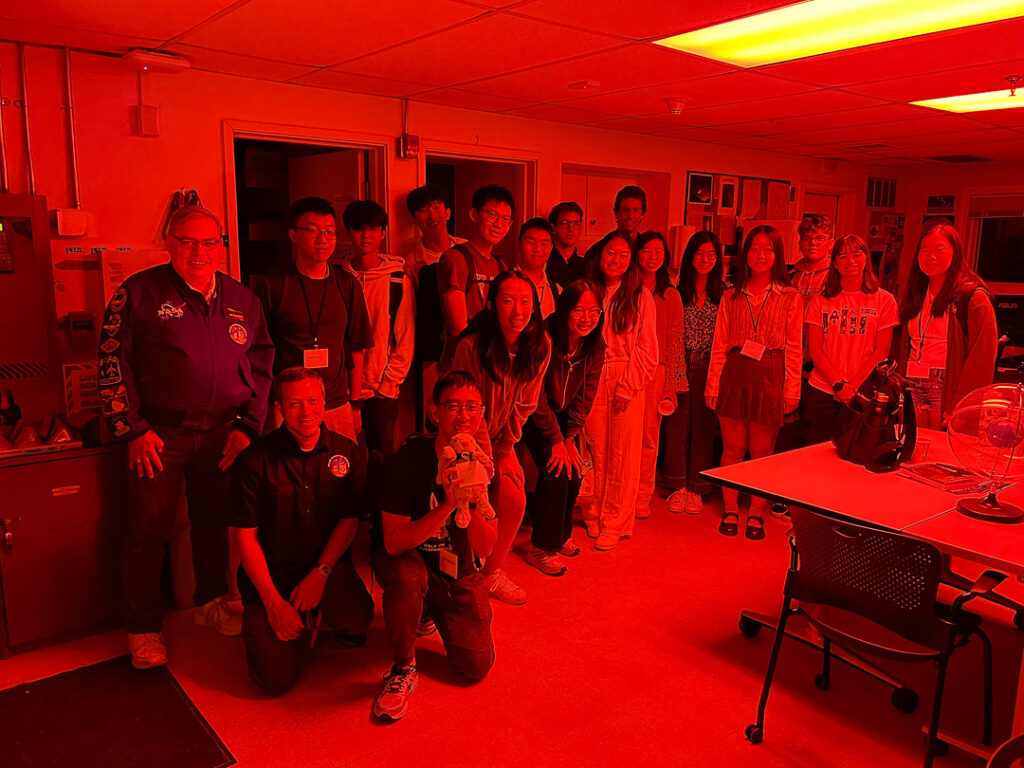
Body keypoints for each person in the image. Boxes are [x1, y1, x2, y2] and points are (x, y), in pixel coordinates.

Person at [97, 205, 274, 669]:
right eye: (188, 241)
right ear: (169, 242)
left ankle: (212, 602)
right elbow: (113, 363)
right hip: (158, 435)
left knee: (213, 524)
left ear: (222, 246)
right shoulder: (137, 293)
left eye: (209, 242)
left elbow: (261, 363)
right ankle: (143, 628)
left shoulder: (241, 298)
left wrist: (249, 426)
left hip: (221, 434)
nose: (200, 252)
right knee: (146, 531)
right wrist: (133, 429)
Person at [229, 368, 374, 695]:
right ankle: (282, 620)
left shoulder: (348, 452)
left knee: (357, 621)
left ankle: (312, 612)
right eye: (295, 404)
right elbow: (245, 537)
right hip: (271, 577)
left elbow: (348, 521)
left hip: (324, 567)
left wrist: (321, 574)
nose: (306, 412)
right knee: (273, 681)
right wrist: (273, 603)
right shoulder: (254, 460)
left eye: (312, 401)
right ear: (279, 407)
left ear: (324, 402)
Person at [371, 371, 498, 722]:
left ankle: (430, 609)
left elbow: (486, 547)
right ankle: (404, 666)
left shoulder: (482, 465)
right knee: (408, 578)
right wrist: (446, 503)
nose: (464, 416)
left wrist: (471, 503)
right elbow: (393, 543)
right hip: (409, 559)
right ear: (434, 412)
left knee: (476, 664)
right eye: (454, 406)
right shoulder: (406, 462)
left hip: (455, 567)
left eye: (473, 407)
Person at [453, 271, 551, 604]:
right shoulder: (472, 346)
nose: (517, 311)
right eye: (508, 301)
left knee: (515, 500)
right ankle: (462, 573)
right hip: (463, 441)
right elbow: (467, 410)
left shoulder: (540, 345)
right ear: (493, 304)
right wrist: (486, 459)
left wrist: (506, 450)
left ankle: (490, 573)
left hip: (502, 441)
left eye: (526, 302)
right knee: (471, 509)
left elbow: (526, 403)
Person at [706, 225, 802, 541]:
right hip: (734, 370)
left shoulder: (790, 297)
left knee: (762, 451)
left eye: (768, 249)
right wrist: (712, 384)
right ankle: (731, 508)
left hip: (772, 373)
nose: (761, 255)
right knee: (733, 447)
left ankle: (757, 512)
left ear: (777, 255)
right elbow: (719, 342)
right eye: (755, 248)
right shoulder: (732, 295)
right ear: (746, 254)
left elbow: (795, 346)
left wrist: (792, 390)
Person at [251, 197, 373, 442]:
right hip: (288, 405)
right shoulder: (274, 284)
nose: (323, 240)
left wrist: (356, 403)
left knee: (339, 470)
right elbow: (257, 349)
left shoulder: (347, 283)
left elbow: (356, 347)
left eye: (330, 232)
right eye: (313, 231)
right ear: (294, 235)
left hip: (336, 401)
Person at [523, 279, 605, 575]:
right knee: (557, 470)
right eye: (579, 311)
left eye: (594, 312)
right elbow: (536, 395)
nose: (587, 319)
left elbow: (586, 394)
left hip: (563, 420)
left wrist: (570, 436)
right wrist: (556, 438)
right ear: (564, 310)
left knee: (576, 467)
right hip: (532, 412)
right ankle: (541, 549)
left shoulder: (595, 346)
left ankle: (560, 535)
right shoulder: (544, 339)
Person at [583, 235, 658, 551]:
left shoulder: (640, 296)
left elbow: (647, 348)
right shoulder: (588, 291)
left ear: (631, 261)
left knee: (623, 454)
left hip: (626, 373)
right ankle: (593, 512)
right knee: (594, 448)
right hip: (591, 374)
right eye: (610, 252)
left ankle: (615, 522)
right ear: (600, 254)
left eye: (623, 254)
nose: (615, 259)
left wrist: (628, 386)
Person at [342, 200, 415, 514]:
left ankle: (382, 529)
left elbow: (406, 337)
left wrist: (389, 384)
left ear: (383, 233)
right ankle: (350, 522)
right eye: (358, 228)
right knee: (345, 459)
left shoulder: (397, 279)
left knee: (382, 459)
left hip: (382, 388)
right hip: (343, 389)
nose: (366, 235)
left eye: (373, 228)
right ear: (348, 233)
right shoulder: (338, 277)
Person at [895, 223, 998, 429]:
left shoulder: (972, 296)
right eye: (924, 251)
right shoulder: (916, 292)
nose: (931, 256)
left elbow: (983, 355)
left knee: (941, 448)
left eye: (939, 250)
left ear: (956, 253)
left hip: (946, 381)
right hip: (913, 378)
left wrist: (961, 400)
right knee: (914, 446)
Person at [803, 235, 899, 445]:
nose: (850, 261)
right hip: (822, 389)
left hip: (864, 391)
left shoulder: (884, 300)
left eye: (856, 254)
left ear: (866, 259)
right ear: (835, 263)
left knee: (855, 456)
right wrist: (838, 384)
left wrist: (853, 386)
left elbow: (881, 350)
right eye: (843, 256)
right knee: (815, 455)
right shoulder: (820, 301)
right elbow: (815, 349)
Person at [663, 231, 727, 514]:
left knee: (703, 427)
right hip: (680, 361)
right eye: (699, 253)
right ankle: (677, 485)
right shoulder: (675, 290)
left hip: (710, 364)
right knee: (676, 425)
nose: (705, 260)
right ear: (689, 257)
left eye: (711, 254)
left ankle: (698, 487)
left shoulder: (724, 294)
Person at [634, 231, 688, 520]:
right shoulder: (626, 289)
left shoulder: (671, 295)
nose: (652, 256)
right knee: (623, 434)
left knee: (649, 436)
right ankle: (623, 492)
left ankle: (643, 494)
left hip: (657, 369)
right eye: (646, 250)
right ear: (637, 253)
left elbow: (676, 341)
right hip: (628, 367)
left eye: (658, 251)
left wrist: (672, 385)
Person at [437, 185, 514, 370]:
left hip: (492, 363)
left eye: (505, 219)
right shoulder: (456, 258)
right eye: (492, 215)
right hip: (463, 364)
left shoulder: (501, 266)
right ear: (473, 214)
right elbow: (458, 327)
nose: (498, 225)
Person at [401, 184, 464, 291]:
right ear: (414, 218)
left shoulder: (466, 248)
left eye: (436, 207)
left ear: (448, 213)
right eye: (423, 210)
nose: (432, 216)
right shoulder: (410, 264)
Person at [584, 185, 646, 263]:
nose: (630, 216)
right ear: (616, 213)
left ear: (642, 214)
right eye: (625, 210)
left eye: (636, 210)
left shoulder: (646, 248)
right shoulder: (598, 250)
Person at [515, 217, 558, 318]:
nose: (537, 248)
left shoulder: (556, 290)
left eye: (544, 243)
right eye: (530, 242)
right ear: (519, 244)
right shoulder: (505, 282)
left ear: (551, 248)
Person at [789, 214, 835, 303]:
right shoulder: (789, 275)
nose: (813, 242)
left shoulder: (836, 275)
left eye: (820, 238)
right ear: (800, 243)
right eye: (807, 238)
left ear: (830, 243)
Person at [547, 201, 586, 290]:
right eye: (564, 223)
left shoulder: (586, 266)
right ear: (553, 228)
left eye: (576, 224)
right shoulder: (544, 263)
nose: (571, 229)